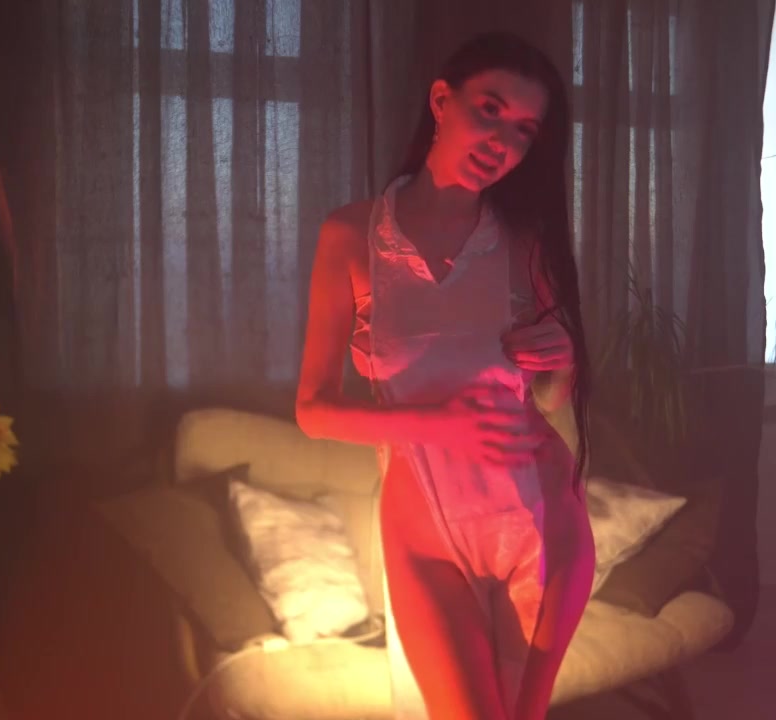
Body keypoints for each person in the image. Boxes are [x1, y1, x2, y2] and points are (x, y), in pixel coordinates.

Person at [296, 32, 595, 720]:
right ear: (441, 101)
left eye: (524, 130)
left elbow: (552, 400)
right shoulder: (350, 236)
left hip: (541, 517)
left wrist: (564, 360)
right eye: (490, 110)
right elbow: (313, 410)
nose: (503, 141)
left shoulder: (525, 240)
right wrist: (437, 424)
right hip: (426, 532)